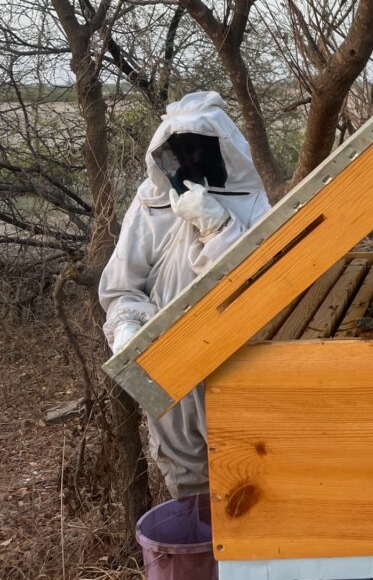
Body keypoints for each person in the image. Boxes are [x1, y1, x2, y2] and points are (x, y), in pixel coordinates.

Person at [99, 91, 270, 498]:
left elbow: (259, 285)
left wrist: (218, 226)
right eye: (179, 153)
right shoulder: (149, 207)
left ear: (221, 151)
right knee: (186, 480)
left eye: (198, 150)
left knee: (246, 474)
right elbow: (122, 286)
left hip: (237, 363)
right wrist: (126, 330)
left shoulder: (250, 203)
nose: (189, 162)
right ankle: (198, 557)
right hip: (167, 364)